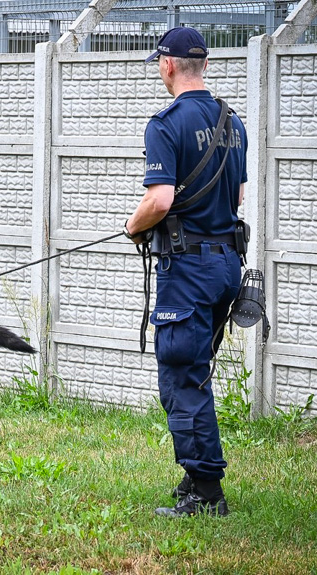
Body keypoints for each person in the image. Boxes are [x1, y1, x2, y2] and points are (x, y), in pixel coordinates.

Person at [124, 26, 248, 517]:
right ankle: (195, 473)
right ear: (206, 64)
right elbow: (236, 198)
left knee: (181, 376)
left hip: (189, 270)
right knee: (195, 373)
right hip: (226, 266)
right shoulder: (231, 122)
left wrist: (132, 226)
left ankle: (206, 493)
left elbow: (160, 199)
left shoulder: (165, 123)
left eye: (160, 62)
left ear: (168, 65)